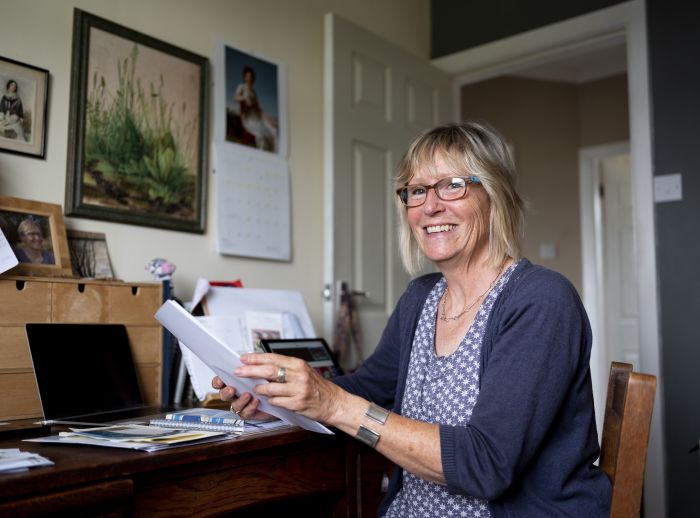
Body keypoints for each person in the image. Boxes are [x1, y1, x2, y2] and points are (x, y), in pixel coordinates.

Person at [213, 122, 611, 516]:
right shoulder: (420, 298)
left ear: (494, 195)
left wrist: (332, 404)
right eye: (417, 190)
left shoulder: (540, 299)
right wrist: (277, 400)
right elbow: (367, 389)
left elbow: (487, 464)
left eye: (452, 185)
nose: (430, 206)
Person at [233, 66, 276, 151]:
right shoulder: (241, 86)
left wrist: (269, 121)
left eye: (251, 76)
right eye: (248, 76)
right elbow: (236, 97)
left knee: (272, 131)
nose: (250, 78)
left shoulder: (254, 92)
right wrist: (244, 98)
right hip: (247, 117)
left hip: (256, 116)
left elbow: (259, 109)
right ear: (245, 77)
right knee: (261, 135)